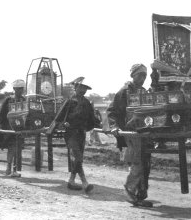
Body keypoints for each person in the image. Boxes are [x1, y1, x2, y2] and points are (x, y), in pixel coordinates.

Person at [107, 63, 153, 207]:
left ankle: (140, 194)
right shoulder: (124, 92)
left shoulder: (144, 92)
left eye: (145, 75)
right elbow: (111, 111)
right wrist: (114, 126)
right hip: (131, 132)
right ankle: (129, 189)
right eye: (140, 75)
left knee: (145, 163)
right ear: (133, 75)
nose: (143, 78)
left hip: (144, 132)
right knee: (137, 162)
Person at [55, 78, 96, 193]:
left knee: (78, 159)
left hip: (81, 134)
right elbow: (58, 119)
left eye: (85, 88)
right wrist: (65, 124)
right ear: (76, 87)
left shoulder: (87, 103)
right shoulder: (69, 102)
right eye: (81, 87)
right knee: (77, 157)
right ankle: (85, 182)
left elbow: (92, 120)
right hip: (71, 133)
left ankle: (71, 181)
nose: (82, 90)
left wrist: (87, 127)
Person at [0, 79, 26, 177]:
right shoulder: (8, 100)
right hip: (9, 128)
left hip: (21, 128)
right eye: (18, 89)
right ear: (14, 89)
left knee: (18, 148)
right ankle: (9, 168)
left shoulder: (24, 100)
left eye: (21, 89)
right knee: (12, 148)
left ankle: (15, 170)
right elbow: (1, 114)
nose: (20, 91)